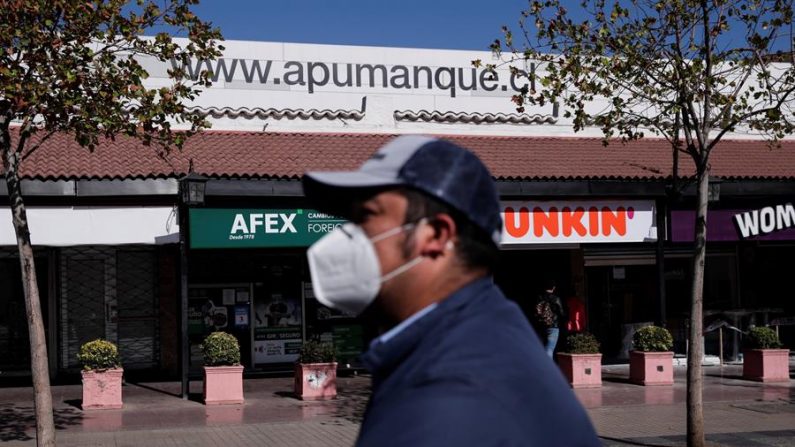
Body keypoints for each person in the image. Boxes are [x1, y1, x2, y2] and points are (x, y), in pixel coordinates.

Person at [303, 135, 600, 447]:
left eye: (367, 216)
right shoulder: (479, 339)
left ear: (435, 234)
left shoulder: (445, 398)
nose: (348, 235)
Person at [535, 279, 566, 358]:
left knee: (540, 349)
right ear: (554, 288)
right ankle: (547, 369)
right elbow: (562, 313)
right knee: (549, 349)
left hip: (541, 326)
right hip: (553, 326)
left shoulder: (539, 297)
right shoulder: (556, 299)